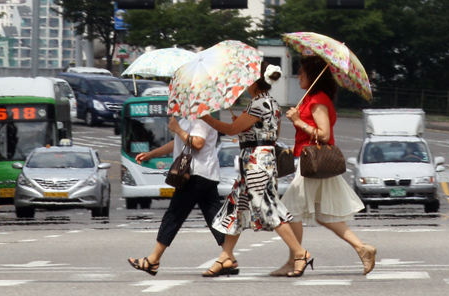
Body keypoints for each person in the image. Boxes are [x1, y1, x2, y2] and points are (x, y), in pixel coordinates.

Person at [200, 61, 312, 278]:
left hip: (256, 161)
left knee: (266, 206)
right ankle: (226, 257)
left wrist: (207, 118)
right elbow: (272, 134)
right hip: (260, 159)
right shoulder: (272, 103)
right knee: (236, 206)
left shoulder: (258, 104)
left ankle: (300, 253)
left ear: (254, 82)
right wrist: (246, 128)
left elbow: (231, 129)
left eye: (246, 80)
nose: (243, 84)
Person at [273, 55, 376, 276]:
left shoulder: (318, 99)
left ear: (313, 75)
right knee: (324, 215)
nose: (299, 75)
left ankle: (296, 259)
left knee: (290, 211)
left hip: (313, 163)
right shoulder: (311, 98)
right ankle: (362, 248)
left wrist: (298, 121)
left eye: (302, 72)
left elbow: (324, 134)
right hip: (313, 162)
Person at [128, 117, 237, 276]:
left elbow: (197, 143)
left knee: (174, 215)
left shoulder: (201, 118)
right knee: (214, 216)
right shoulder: (191, 119)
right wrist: (152, 154)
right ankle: (229, 258)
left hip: (196, 175)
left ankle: (153, 260)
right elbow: (179, 143)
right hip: (206, 174)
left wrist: (177, 129)